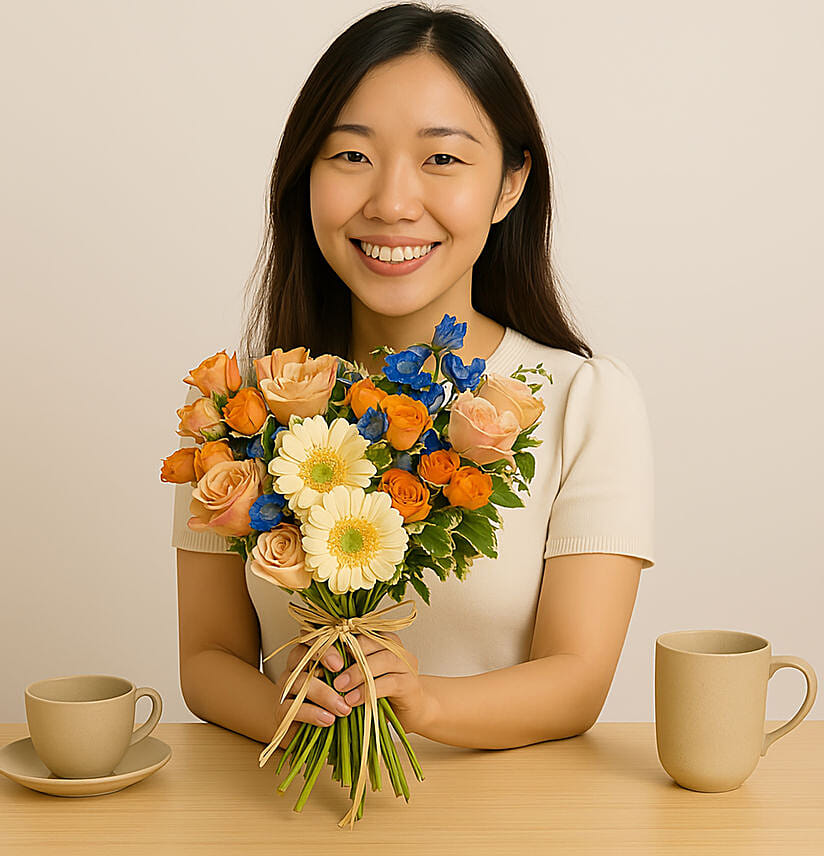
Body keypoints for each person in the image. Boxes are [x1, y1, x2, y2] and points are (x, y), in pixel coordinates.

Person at [172, 2, 655, 753]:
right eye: (351, 156)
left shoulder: (584, 401)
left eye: (443, 159)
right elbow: (206, 661)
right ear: (304, 176)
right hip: (285, 815)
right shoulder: (239, 411)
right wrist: (289, 710)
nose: (393, 203)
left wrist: (420, 702)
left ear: (509, 185)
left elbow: (578, 678)